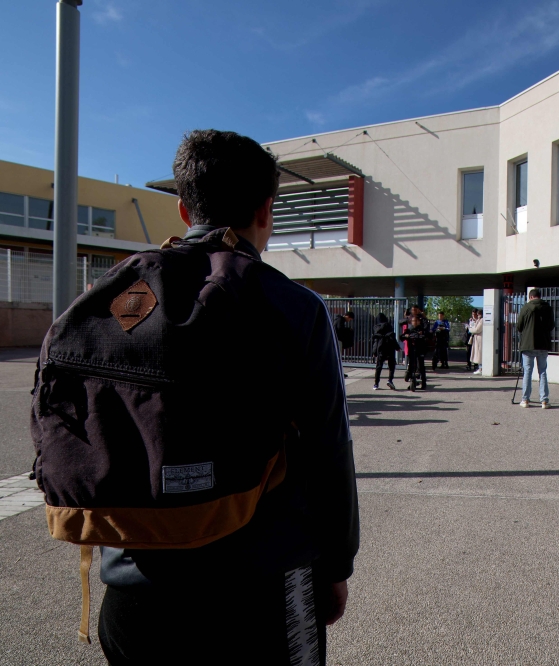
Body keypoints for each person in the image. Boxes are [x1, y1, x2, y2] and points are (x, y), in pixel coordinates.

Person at [94, 130, 359, 663]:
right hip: (261, 582)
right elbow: (329, 450)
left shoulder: (121, 299)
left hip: (133, 585)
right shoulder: (295, 307)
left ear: (184, 210)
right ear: (266, 210)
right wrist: (335, 567)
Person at [516, 289, 555, 408]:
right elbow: (551, 325)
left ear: (530, 297)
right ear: (539, 296)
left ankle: (525, 400)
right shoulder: (547, 308)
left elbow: (519, 326)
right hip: (543, 344)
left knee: (528, 371)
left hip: (528, 344)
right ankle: (544, 400)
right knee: (542, 371)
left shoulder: (526, 308)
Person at [400, 313, 429, 390]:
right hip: (412, 351)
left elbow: (428, 335)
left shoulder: (422, 329)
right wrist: (405, 336)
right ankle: (412, 381)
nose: (414, 322)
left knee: (421, 366)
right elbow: (401, 337)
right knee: (412, 366)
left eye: (416, 321)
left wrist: (422, 335)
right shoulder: (409, 330)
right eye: (413, 321)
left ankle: (424, 383)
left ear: (419, 322)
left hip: (420, 350)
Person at [371, 312, 400, 390]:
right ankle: (390, 380)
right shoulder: (388, 326)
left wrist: (374, 352)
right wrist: (397, 347)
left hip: (380, 347)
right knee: (391, 365)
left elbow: (375, 341)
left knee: (379, 366)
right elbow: (392, 337)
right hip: (389, 347)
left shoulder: (376, 327)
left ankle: (376, 384)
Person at [469, 309, 484, 374]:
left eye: (478, 314)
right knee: (478, 354)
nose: (477, 316)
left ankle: (481, 368)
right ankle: (480, 368)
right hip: (477, 339)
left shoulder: (482, 320)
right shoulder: (479, 320)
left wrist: (470, 329)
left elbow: (477, 329)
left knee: (479, 354)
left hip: (480, 339)